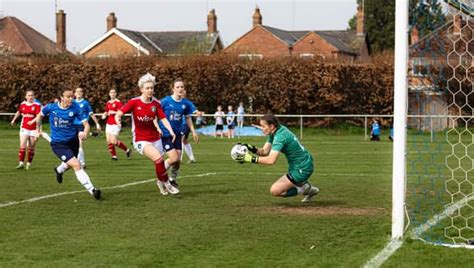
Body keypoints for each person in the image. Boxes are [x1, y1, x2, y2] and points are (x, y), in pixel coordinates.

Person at [115, 73, 179, 195]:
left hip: (155, 138)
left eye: (152, 88)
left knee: (160, 162)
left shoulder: (156, 104)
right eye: (147, 88)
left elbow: (163, 119)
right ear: (141, 89)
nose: (150, 90)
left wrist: (171, 131)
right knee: (158, 159)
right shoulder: (134, 102)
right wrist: (118, 118)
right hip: (140, 139)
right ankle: (167, 183)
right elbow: (120, 112)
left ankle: (160, 183)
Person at [34, 88, 101, 200]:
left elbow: (86, 124)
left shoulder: (75, 108)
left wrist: (85, 132)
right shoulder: (51, 107)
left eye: (72, 96)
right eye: (68, 96)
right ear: (61, 98)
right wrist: (38, 131)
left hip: (73, 141)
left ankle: (59, 170)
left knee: (71, 163)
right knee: (76, 164)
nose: (71, 99)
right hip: (58, 144)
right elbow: (39, 117)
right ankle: (92, 190)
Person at [236, 114, 319, 203]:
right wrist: (249, 147)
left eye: (263, 126)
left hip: (302, 167)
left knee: (275, 190)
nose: (262, 129)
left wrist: (249, 159)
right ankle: (307, 188)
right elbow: (264, 151)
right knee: (285, 186)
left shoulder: (280, 137)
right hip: (299, 164)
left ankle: (305, 189)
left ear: (271, 126)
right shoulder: (276, 131)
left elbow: (271, 160)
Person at [158, 79, 199, 187]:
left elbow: (188, 117)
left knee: (177, 161)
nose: (180, 89)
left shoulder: (185, 103)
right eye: (178, 87)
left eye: (182, 87)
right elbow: (155, 114)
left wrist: (194, 132)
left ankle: (172, 179)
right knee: (173, 158)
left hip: (177, 133)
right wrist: (157, 128)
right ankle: (160, 178)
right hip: (166, 134)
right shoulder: (165, 101)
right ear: (173, 89)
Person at [10, 90, 42, 170]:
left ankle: (28, 164)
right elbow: (19, 112)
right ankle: (21, 163)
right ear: (26, 97)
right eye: (29, 95)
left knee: (31, 147)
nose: (30, 97)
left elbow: (39, 116)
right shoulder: (23, 104)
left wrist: (33, 121)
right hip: (24, 127)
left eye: (32, 95)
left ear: (34, 96)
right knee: (22, 145)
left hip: (34, 129)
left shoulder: (37, 105)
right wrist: (13, 120)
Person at [73, 87, 101, 167]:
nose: (79, 93)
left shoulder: (85, 103)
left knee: (80, 143)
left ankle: (82, 162)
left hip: (82, 125)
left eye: (80, 92)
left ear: (82, 94)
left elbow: (91, 114)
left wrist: (97, 123)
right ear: (74, 93)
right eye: (77, 91)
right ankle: (75, 161)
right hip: (73, 126)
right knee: (73, 144)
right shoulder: (72, 103)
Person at [101, 89, 131, 161]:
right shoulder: (108, 103)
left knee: (114, 141)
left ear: (116, 94)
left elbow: (121, 112)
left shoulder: (118, 102)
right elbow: (106, 111)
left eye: (114, 92)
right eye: (111, 92)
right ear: (109, 94)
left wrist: (113, 112)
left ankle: (127, 150)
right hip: (109, 123)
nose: (112, 94)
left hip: (116, 123)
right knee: (108, 141)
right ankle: (114, 156)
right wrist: (104, 115)